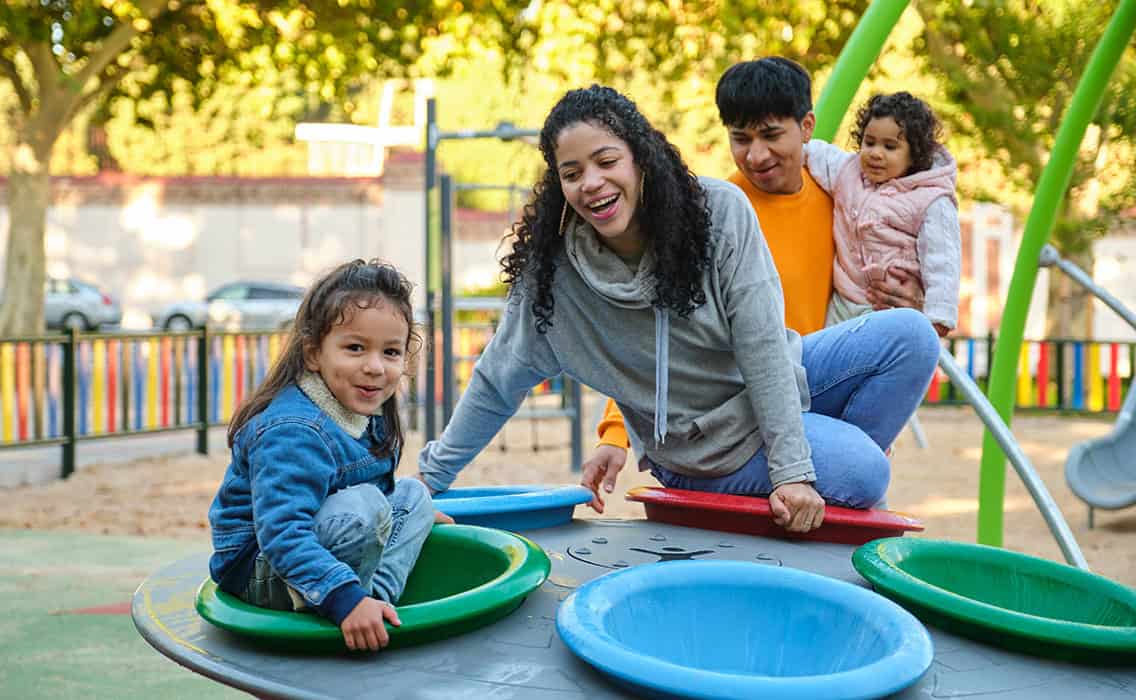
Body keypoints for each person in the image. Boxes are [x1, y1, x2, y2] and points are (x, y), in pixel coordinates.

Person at [417, 85, 939, 537]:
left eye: (606, 161)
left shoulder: (717, 214)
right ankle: (827, 487)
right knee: (866, 471)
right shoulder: (554, 281)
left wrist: (792, 471)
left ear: (640, 159)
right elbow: (494, 382)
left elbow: (762, 347)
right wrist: (428, 480)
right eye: (571, 173)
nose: (591, 183)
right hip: (700, 447)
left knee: (912, 338)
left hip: (769, 384)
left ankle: (813, 498)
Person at [588, 58, 932, 518]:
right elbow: (653, 333)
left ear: (806, 126)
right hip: (733, 404)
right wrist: (615, 433)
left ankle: (830, 480)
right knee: (864, 471)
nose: (756, 155)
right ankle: (830, 478)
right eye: (741, 138)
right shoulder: (711, 214)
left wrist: (906, 294)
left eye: (771, 135)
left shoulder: (840, 199)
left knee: (913, 335)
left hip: (808, 384)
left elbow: (883, 271)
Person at [207, 259, 439, 653]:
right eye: (354, 348)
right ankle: (345, 600)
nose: (374, 367)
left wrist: (416, 515)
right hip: (263, 567)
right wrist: (341, 598)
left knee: (416, 496)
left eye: (391, 352)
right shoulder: (294, 431)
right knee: (364, 506)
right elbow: (281, 533)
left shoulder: (368, 408)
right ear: (313, 354)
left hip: (328, 535)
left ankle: (374, 601)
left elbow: (385, 492)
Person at [804, 91, 960, 337]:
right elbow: (815, 153)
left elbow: (942, 260)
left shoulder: (930, 198)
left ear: (915, 153)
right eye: (869, 142)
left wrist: (938, 315)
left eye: (890, 146)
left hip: (889, 307)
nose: (876, 153)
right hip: (844, 299)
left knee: (877, 360)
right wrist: (791, 148)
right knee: (827, 358)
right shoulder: (849, 173)